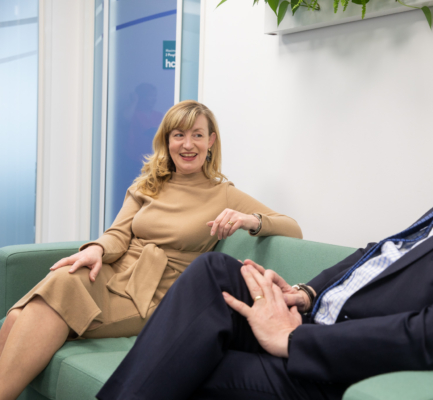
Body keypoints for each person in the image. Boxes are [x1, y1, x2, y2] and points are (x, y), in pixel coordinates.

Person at [98, 56, 433, 400]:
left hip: (334, 366)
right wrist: (305, 292)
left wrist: (295, 342)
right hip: (315, 324)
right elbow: (379, 253)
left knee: (179, 361)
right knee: (214, 272)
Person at [0, 101, 302, 399]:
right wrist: (96, 250)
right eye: (178, 135)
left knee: (32, 313)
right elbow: (117, 235)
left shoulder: (223, 193)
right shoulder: (148, 184)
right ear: (167, 140)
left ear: (210, 141)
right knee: (47, 293)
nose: (187, 144)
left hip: (156, 295)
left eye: (197, 135)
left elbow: (292, 228)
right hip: (112, 273)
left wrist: (250, 220)